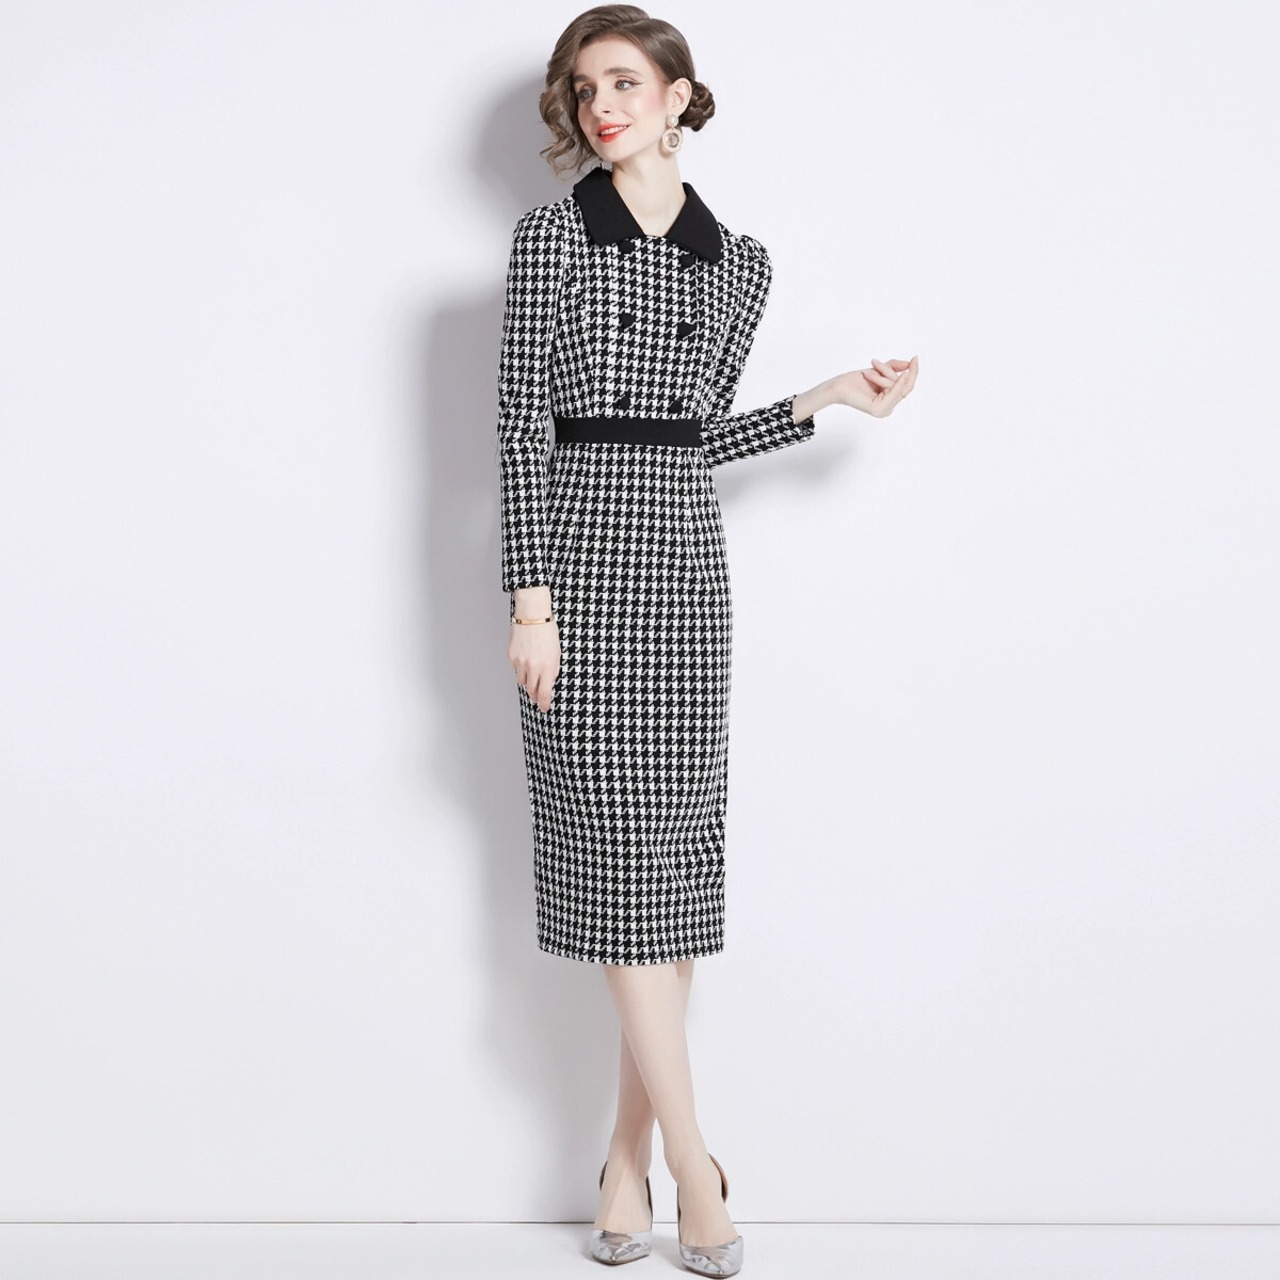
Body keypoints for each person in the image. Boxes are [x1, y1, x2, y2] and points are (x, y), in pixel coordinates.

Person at [496, 5, 917, 1273]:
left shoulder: (739, 264)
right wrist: (529, 600)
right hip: (579, 572)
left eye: (625, 82)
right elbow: (519, 426)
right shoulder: (549, 237)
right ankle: (696, 1166)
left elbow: (694, 438)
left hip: (684, 578)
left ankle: (623, 1164)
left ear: (679, 95)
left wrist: (821, 398)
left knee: (668, 882)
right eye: (584, 89)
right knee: (619, 868)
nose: (601, 107)